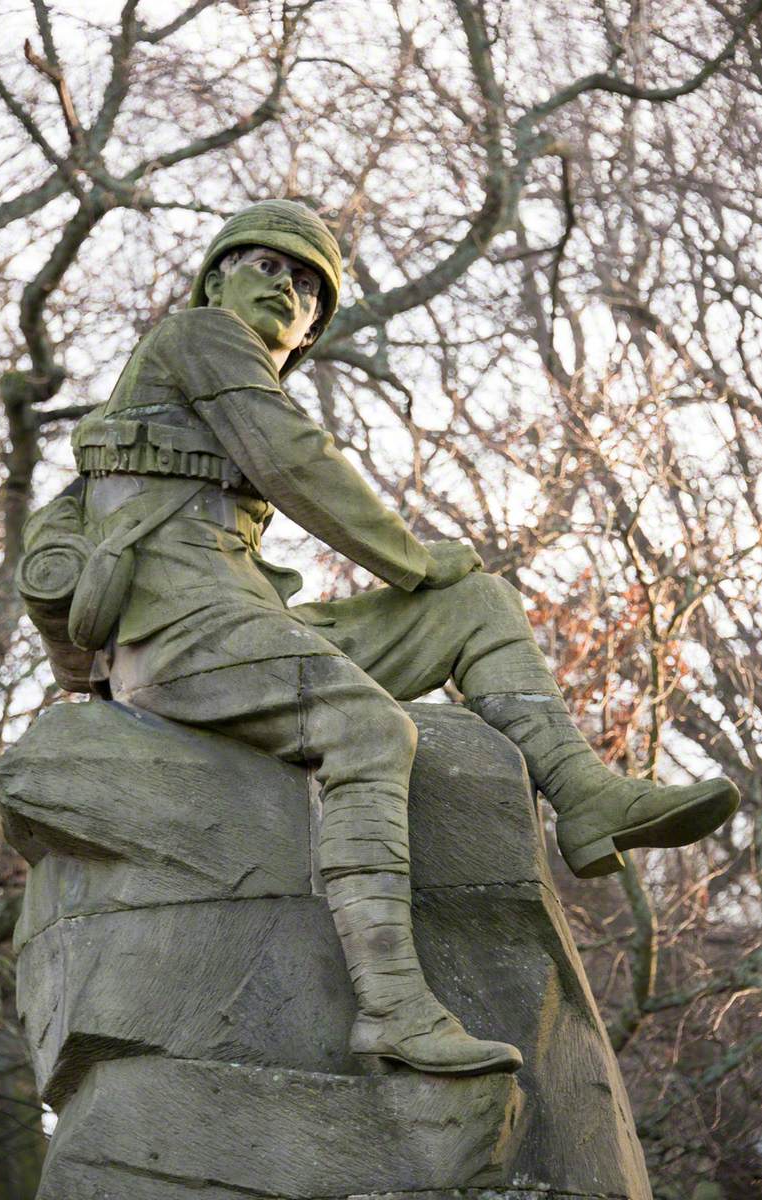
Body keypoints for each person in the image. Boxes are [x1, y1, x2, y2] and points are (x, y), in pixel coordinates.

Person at [71, 199, 739, 1076]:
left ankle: (582, 794)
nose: (285, 286)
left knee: (476, 604)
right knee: (369, 726)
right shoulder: (199, 335)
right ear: (215, 277)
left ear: (311, 329)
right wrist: (411, 559)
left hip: (242, 621)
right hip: (180, 635)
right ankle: (391, 1008)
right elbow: (294, 461)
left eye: (307, 284)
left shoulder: (218, 370)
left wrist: (432, 580)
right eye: (264, 265)